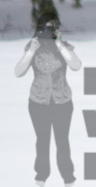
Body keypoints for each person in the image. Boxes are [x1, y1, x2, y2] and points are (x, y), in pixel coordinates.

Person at [15, 11, 81, 185]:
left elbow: (76, 65)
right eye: (46, 28)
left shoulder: (63, 46)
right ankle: (41, 178)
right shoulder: (32, 46)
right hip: (38, 102)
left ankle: (68, 179)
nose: (49, 32)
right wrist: (31, 51)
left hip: (62, 102)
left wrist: (59, 44)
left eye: (53, 27)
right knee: (42, 142)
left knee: (62, 142)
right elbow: (18, 72)